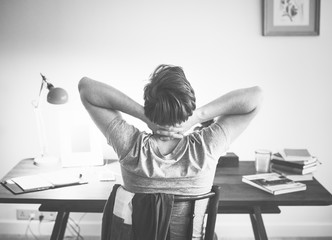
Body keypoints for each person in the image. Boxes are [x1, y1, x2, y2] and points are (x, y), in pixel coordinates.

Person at [78, 64, 263, 240]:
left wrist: (145, 116)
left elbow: (86, 88)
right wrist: (196, 117)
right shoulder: (207, 146)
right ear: (188, 106)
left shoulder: (129, 145)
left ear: (149, 105)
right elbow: (256, 97)